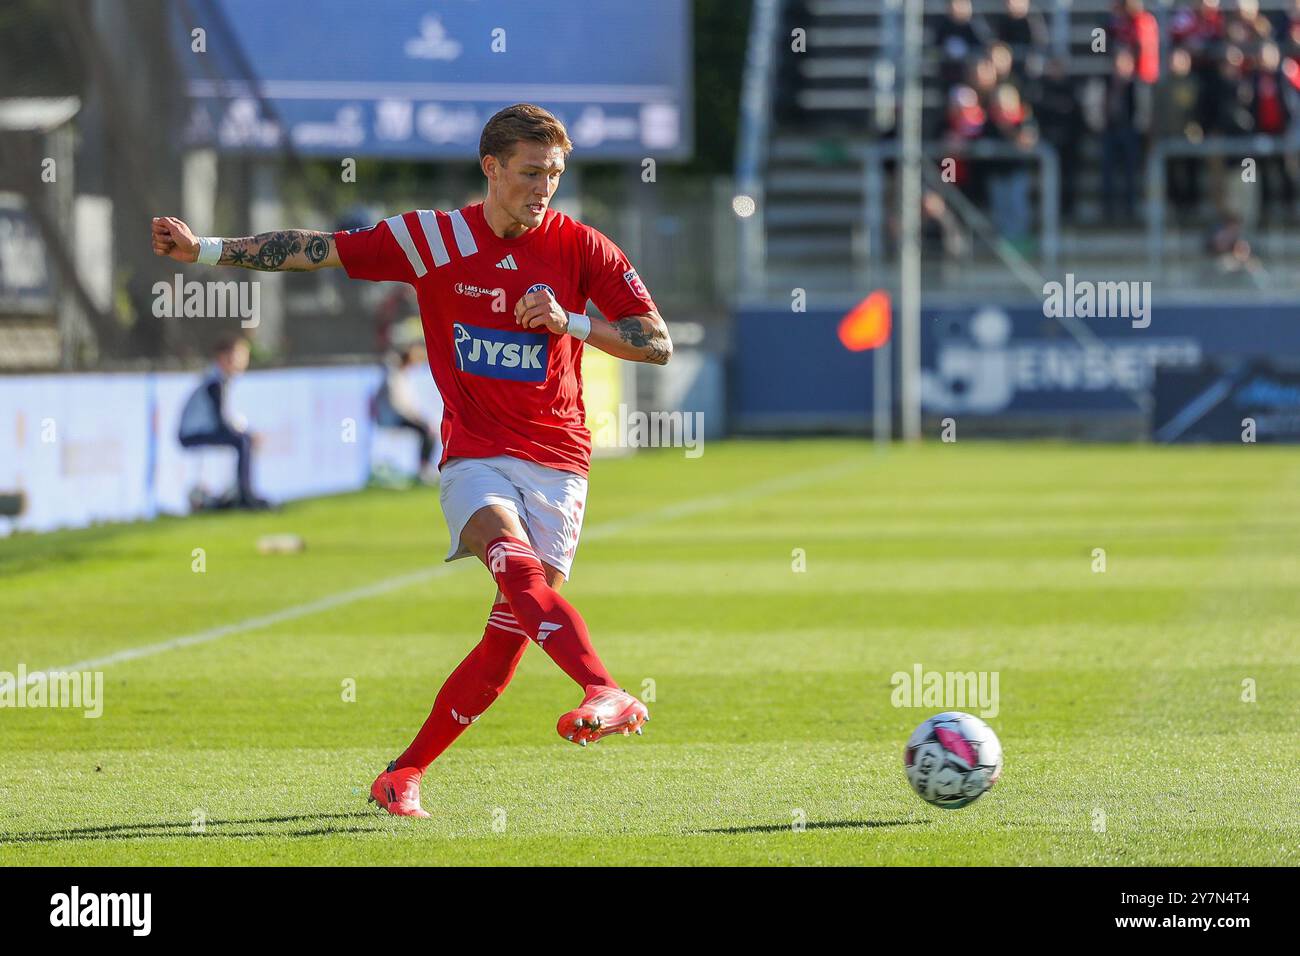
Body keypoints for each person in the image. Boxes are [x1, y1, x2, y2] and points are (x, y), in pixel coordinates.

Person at [151, 103, 672, 818]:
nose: (543, 187)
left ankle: (404, 774)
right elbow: (315, 248)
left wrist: (571, 322)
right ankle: (602, 686)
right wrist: (204, 251)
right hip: (475, 455)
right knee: (506, 556)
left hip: (560, 462)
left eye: (554, 173)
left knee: (508, 640)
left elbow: (654, 341)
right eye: (529, 173)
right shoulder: (433, 238)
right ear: (491, 167)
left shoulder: (583, 248)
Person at [176, 335, 271, 511]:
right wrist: (246, 434)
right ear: (224, 357)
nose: (244, 362)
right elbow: (221, 421)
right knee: (243, 441)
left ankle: (242, 494)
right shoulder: (214, 382)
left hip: (199, 431)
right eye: (240, 356)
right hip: (192, 434)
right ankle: (245, 496)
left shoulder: (219, 380)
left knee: (243, 439)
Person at [374, 342, 439, 485]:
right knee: (426, 431)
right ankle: (423, 469)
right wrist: (418, 419)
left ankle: (424, 468)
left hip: (397, 416)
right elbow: (398, 405)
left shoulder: (402, 376)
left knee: (428, 430)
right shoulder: (394, 375)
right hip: (393, 418)